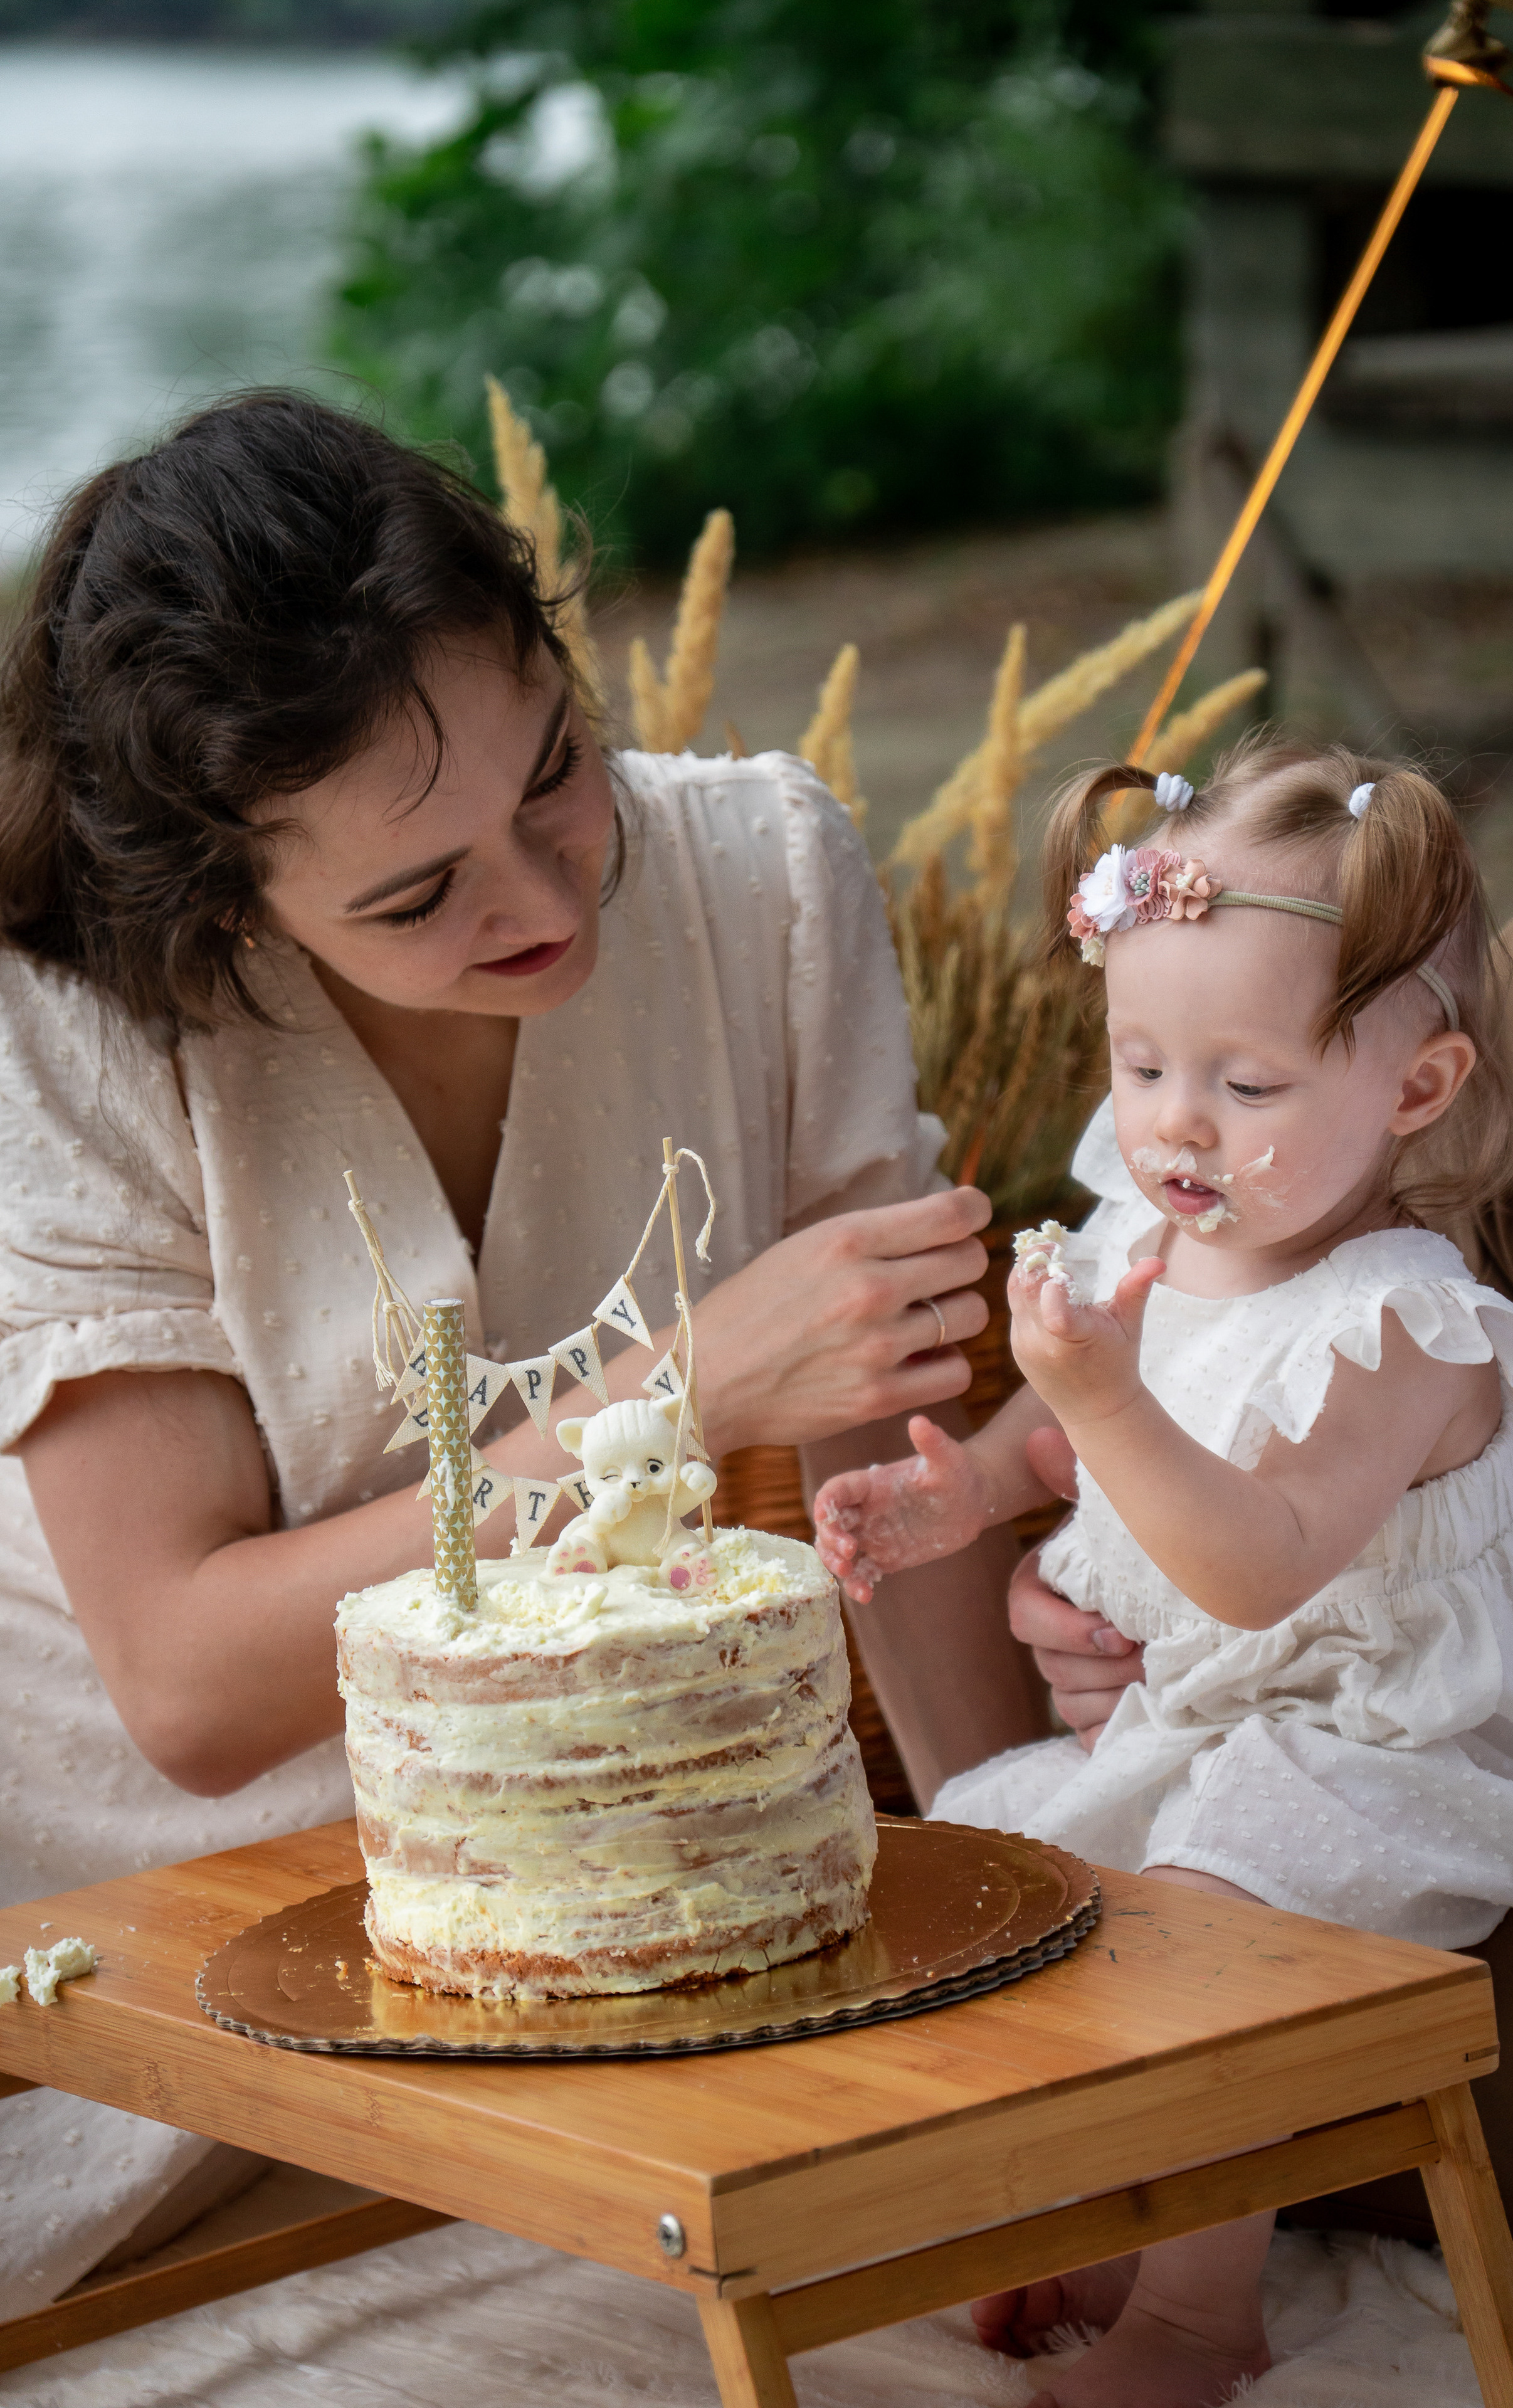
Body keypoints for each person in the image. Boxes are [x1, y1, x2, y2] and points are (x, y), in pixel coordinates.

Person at [0, 391, 1043, 2313]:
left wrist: (1028, 1933)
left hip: (625, 1871)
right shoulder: (75, 1024)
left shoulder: (763, 875)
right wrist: (685, 1390)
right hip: (146, 1899)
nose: (551, 898)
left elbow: (892, 1476)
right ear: (221, 900)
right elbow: (190, 1689)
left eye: (557, 770)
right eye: (419, 894)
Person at [816, 737, 1513, 2408]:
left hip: (1413, 1728)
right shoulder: (1156, 1228)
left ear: (1416, 1091)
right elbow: (1053, 1432)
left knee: (1209, 1931)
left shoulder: (1403, 1322)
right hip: (1240, 1708)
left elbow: (1264, 1566)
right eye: (1143, 1062)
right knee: (1024, 1870)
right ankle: (1112, 2208)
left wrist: (1103, 1400)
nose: (1178, 1123)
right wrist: (965, 1493)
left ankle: (1196, 2317)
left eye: (1248, 1088)